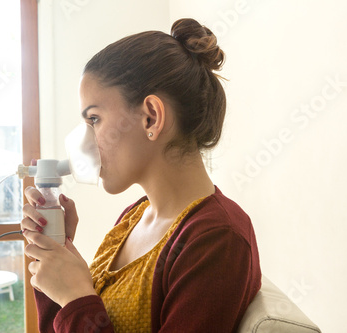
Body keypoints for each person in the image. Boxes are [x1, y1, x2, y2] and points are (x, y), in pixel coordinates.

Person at [21, 18, 261, 332]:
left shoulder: (217, 239)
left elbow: (82, 310)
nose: (84, 141)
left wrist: (77, 296)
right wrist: (58, 261)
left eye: (94, 118)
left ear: (151, 117)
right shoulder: (134, 216)